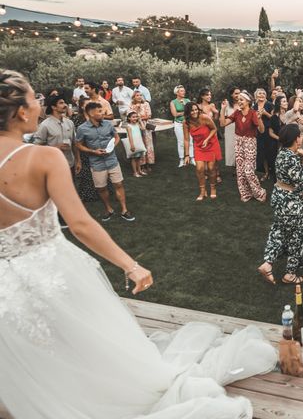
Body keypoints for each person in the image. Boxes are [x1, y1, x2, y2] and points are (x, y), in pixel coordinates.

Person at [0, 69, 277, 418]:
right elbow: (81, 223)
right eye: (33, 98)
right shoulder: (42, 158)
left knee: (23, 358)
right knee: (85, 344)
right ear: (21, 112)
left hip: (5, 286)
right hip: (52, 272)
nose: (38, 102)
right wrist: (130, 264)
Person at [258, 124, 303, 285]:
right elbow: (302, 181)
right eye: (299, 136)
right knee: (297, 236)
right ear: (295, 139)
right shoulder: (291, 157)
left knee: (279, 232)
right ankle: (290, 274)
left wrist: (300, 154)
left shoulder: (282, 153)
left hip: (279, 196)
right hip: (290, 202)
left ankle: (267, 263)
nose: (301, 138)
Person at [76, 102, 135, 222]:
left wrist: (112, 147)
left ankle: (124, 210)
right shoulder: (82, 129)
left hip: (112, 160)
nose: (103, 113)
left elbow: (116, 137)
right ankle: (108, 209)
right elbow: (78, 145)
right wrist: (93, 151)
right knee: (101, 188)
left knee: (119, 184)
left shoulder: (108, 124)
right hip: (97, 163)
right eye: (99, 111)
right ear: (91, 113)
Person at [220, 90, 267, 202]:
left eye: (241, 99)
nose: (239, 101)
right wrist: (223, 109)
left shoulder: (253, 113)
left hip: (250, 142)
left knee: (248, 171)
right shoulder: (237, 113)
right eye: (238, 99)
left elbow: (261, 130)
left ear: (248, 101)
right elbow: (222, 123)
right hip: (238, 142)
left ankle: (260, 192)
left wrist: (259, 118)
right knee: (240, 171)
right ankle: (246, 193)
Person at [32, 95, 81, 179]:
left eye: (64, 102)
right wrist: (55, 147)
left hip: (70, 164)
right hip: (53, 165)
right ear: (54, 107)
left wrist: (78, 161)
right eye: (61, 103)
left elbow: (74, 144)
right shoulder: (45, 125)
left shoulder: (70, 123)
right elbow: (36, 147)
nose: (65, 105)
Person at [183, 102, 221, 201]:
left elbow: (214, 129)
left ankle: (213, 188)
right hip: (199, 146)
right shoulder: (186, 123)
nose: (195, 112)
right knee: (200, 169)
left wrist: (207, 139)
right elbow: (186, 139)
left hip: (211, 144)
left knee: (211, 168)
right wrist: (186, 155)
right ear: (188, 112)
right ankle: (202, 191)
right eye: (192, 110)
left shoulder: (204, 117)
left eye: (196, 109)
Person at [71, 97, 100, 202]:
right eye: (88, 104)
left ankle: (101, 191)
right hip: (84, 149)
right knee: (87, 173)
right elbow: (76, 139)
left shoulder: (96, 118)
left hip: (97, 148)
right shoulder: (78, 119)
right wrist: (78, 158)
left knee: (99, 171)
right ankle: (87, 195)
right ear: (82, 107)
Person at [129, 90, 155, 172]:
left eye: (140, 95)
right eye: (137, 95)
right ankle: (141, 165)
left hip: (146, 126)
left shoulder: (146, 104)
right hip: (136, 127)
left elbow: (149, 115)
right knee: (140, 144)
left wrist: (139, 117)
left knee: (148, 144)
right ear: (134, 97)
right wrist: (137, 111)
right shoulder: (131, 105)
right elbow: (130, 117)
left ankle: (148, 163)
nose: (139, 96)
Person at [169, 85, 194, 167]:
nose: (184, 92)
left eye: (184, 90)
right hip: (178, 124)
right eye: (182, 91)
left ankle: (191, 158)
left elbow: (192, 112)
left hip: (188, 123)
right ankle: (182, 159)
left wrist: (185, 107)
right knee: (181, 142)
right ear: (177, 92)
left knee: (190, 140)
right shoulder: (173, 102)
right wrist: (185, 111)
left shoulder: (187, 100)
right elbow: (175, 114)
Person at [267, 95, 288, 181]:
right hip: (277, 144)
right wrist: (279, 138)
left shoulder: (289, 115)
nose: (286, 103)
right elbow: (270, 132)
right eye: (284, 101)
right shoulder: (274, 117)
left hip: (289, 143)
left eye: (286, 101)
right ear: (279, 104)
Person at [254, 88, 273, 181]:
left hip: (269, 132)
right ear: (256, 95)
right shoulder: (254, 106)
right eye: (259, 93)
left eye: (263, 93)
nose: (261, 95)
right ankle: (266, 172)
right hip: (258, 132)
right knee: (262, 153)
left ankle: (272, 172)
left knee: (270, 152)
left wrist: (265, 113)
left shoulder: (270, 105)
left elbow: (274, 118)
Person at [123, 110, 147, 177]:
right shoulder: (128, 126)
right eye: (133, 117)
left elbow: (143, 128)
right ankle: (135, 172)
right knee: (133, 158)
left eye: (136, 117)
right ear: (129, 118)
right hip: (133, 143)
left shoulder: (137, 124)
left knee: (139, 157)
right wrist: (132, 145)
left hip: (138, 142)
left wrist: (140, 121)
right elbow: (130, 136)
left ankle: (139, 170)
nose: (135, 118)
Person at [224, 86, 240, 167]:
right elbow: (223, 119)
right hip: (230, 128)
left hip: (241, 129)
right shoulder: (227, 105)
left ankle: (240, 166)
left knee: (240, 148)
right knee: (231, 147)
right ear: (231, 95)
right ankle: (234, 165)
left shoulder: (243, 103)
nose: (238, 95)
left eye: (239, 93)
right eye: (236, 93)